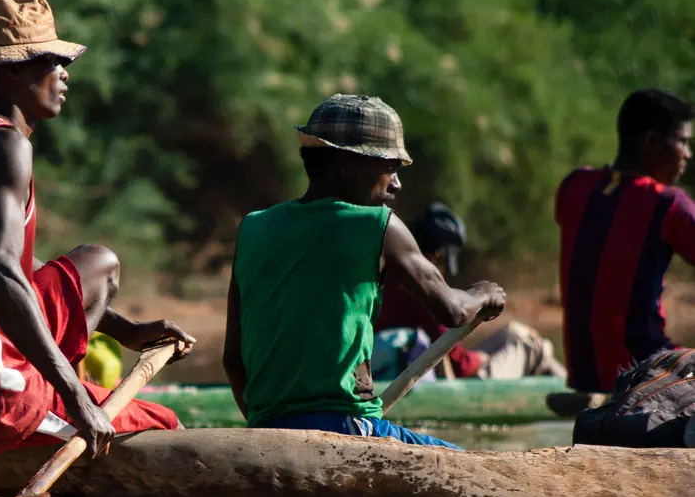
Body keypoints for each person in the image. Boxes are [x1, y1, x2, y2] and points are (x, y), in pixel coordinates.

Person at [0, 0, 194, 460]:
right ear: (13, 69)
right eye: (53, 63)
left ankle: (59, 390)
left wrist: (126, 332)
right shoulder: (7, 145)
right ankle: (59, 393)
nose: (63, 76)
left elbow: (8, 261)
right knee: (168, 429)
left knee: (97, 265)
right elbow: (0, 274)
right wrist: (76, 397)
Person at [221, 94, 507, 448]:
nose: (397, 184)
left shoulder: (253, 227)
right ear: (344, 165)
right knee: (466, 463)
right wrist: (484, 294)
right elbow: (453, 310)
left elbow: (233, 360)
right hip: (345, 425)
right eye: (390, 167)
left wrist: (272, 429)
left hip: (266, 428)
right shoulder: (378, 225)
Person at [556, 88, 695, 396]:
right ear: (652, 142)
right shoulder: (667, 204)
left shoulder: (573, 187)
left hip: (584, 377)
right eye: (683, 142)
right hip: (645, 374)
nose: (688, 154)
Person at [376, 201, 565, 380]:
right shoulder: (422, 289)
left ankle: (580, 399)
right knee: (533, 347)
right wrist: (480, 359)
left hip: (425, 370)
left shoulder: (390, 279)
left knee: (514, 332)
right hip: (457, 387)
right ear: (437, 256)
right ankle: (585, 401)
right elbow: (460, 364)